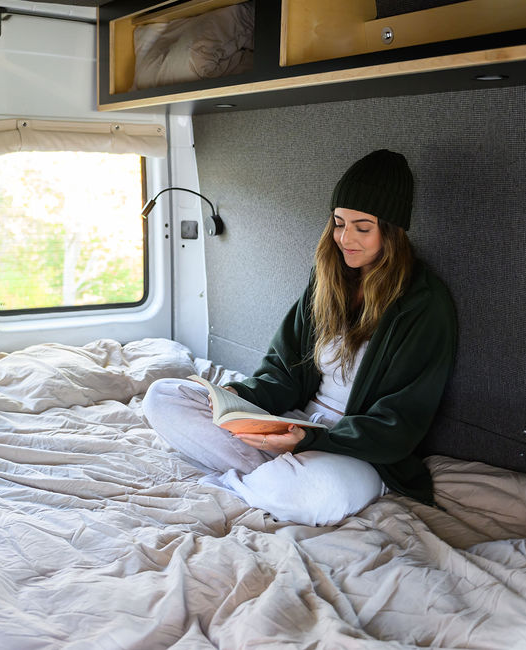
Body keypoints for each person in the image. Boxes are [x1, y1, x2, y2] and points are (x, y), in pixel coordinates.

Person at [142, 149, 457, 526]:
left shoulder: (424, 305)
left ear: (392, 230)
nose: (345, 238)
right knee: (163, 397)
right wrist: (242, 398)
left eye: (362, 227)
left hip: (361, 449)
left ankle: (269, 475)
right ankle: (270, 470)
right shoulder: (327, 279)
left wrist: (309, 443)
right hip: (298, 421)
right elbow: (285, 370)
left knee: (313, 496)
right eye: (339, 223)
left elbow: (398, 423)